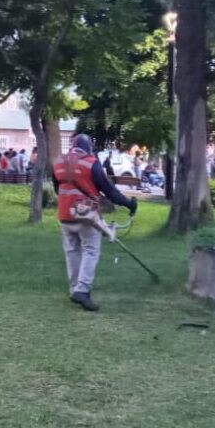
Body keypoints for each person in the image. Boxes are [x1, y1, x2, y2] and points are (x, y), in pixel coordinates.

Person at [51, 133, 137, 312]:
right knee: (90, 250)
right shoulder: (91, 163)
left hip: (65, 214)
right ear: (89, 148)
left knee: (72, 252)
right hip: (86, 215)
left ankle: (75, 289)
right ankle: (82, 291)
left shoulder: (58, 162)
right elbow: (109, 190)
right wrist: (129, 204)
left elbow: (57, 188)